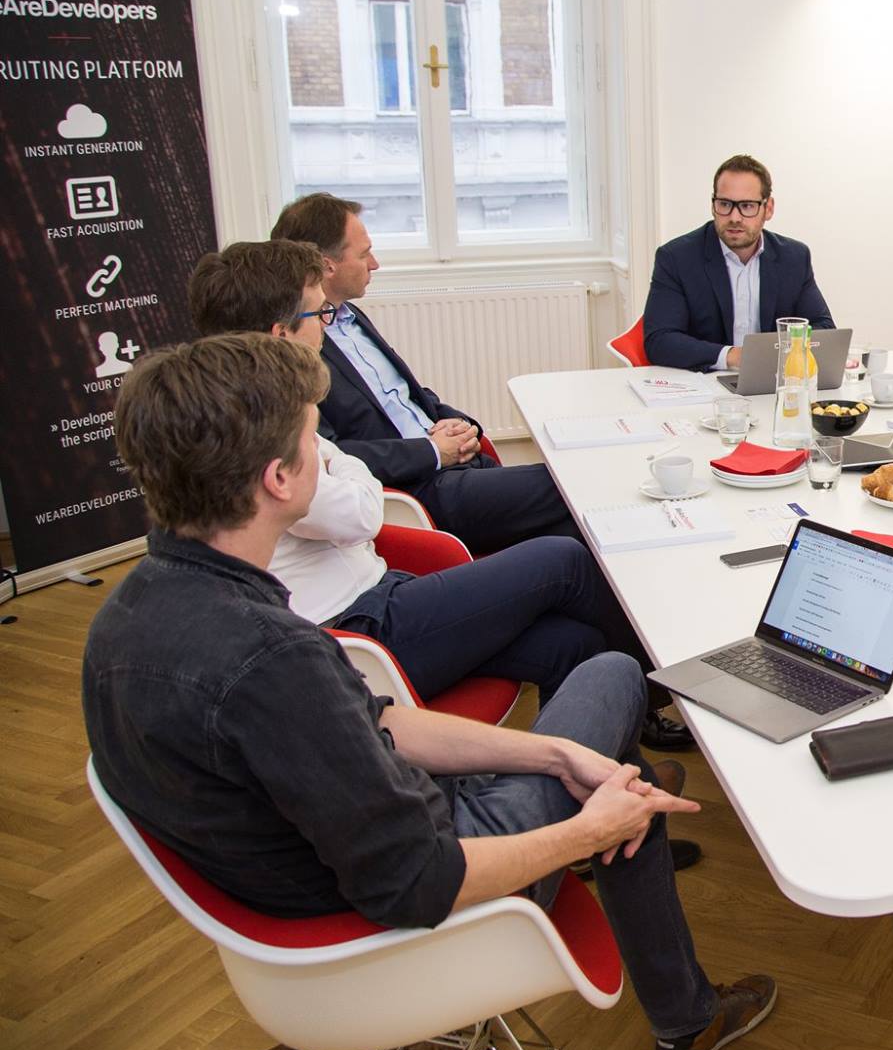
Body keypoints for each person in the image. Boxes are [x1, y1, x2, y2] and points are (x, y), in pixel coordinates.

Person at [82, 333, 778, 1050]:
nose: (329, 457)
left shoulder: (133, 613)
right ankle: (684, 1010)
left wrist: (555, 753)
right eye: (316, 443)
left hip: (329, 854)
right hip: (414, 913)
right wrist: (588, 829)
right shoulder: (271, 659)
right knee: (612, 688)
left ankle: (684, 1007)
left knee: (602, 737)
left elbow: (380, 723)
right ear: (278, 478)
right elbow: (422, 879)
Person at [266, 201, 694, 752]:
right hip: (371, 601)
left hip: (388, 576)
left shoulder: (314, 364)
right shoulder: (272, 422)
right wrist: (425, 452)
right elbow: (358, 509)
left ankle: (609, 781)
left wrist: (454, 425)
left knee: (578, 636)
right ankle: (672, 678)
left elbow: (399, 401)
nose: (325, 322)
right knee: (569, 531)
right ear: (285, 328)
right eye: (316, 314)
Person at [269, 192, 576, 559]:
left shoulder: (350, 317)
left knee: (576, 528)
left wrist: (460, 425)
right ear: (327, 265)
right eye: (364, 254)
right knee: (572, 486)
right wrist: (432, 451)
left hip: (455, 463)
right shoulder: (297, 354)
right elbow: (333, 454)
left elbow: (406, 394)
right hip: (422, 486)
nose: (375, 264)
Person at [642, 154, 835, 372]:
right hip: (704, 382)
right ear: (713, 205)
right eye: (725, 204)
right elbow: (660, 341)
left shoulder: (794, 258)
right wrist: (732, 356)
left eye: (747, 206)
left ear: (768, 208)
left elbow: (824, 330)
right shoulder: (676, 258)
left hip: (772, 382)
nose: (735, 217)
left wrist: (774, 355)